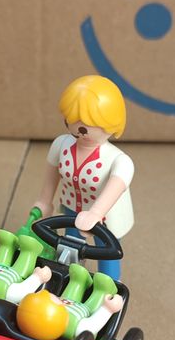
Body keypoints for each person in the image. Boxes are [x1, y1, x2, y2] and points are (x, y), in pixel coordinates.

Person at [33, 74, 134, 281]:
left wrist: (96, 213)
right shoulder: (61, 145)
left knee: (106, 256)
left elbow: (116, 186)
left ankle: (108, 286)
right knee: (68, 248)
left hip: (105, 220)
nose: (78, 129)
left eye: (86, 124)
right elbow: (52, 174)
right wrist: (45, 201)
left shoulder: (119, 160)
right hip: (71, 209)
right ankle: (68, 280)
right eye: (71, 120)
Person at [16, 262, 123, 340]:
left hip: (66, 301)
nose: (46, 293)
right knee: (99, 296)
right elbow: (92, 325)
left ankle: (78, 282)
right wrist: (108, 309)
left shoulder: (27, 315)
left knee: (70, 291)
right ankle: (103, 291)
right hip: (86, 312)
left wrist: (37, 277)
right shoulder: (78, 329)